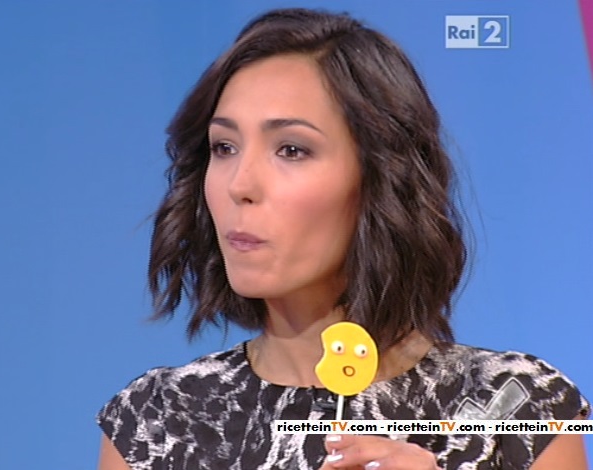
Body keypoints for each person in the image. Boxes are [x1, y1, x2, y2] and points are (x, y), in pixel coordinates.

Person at [96, 8, 590, 470]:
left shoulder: (519, 409)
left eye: (291, 149)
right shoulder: (156, 421)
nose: (239, 184)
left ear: (381, 179)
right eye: (224, 147)